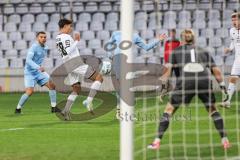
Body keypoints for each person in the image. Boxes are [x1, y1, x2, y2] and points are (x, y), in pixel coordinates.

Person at [147, 29, 231, 150]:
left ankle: (156, 142)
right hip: (203, 80)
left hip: (186, 81)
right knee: (213, 110)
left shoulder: (175, 51)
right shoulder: (203, 51)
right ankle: (225, 141)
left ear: (181, 40)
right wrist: (223, 87)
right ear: (194, 38)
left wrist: (163, 89)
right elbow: (215, 70)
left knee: (169, 110)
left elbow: (167, 73)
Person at [106, 31, 167, 119]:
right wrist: (110, 56)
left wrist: (158, 40)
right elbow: (108, 45)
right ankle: (123, 113)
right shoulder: (116, 33)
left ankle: (120, 112)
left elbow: (146, 47)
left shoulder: (134, 36)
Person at [56, 19, 103, 120]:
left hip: (67, 64)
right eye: (69, 26)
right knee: (99, 78)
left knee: (76, 89)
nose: (70, 28)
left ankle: (65, 111)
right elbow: (68, 51)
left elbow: (64, 52)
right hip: (75, 62)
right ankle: (88, 101)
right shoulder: (66, 37)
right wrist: (77, 40)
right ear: (64, 26)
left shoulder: (58, 38)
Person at [15, 32, 57, 114]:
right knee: (29, 92)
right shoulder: (33, 47)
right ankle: (18, 109)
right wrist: (38, 67)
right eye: (41, 37)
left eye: (45, 37)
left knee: (52, 85)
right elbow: (28, 60)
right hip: (30, 73)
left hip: (38, 72)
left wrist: (39, 68)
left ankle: (54, 108)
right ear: (37, 38)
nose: (43, 38)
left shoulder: (45, 48)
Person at [222, 12, 240, 108]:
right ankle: (227, 101)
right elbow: (233, 42)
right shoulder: (232, 30)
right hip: (238, 59)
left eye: (236, 19)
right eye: (232, 20)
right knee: (232, 78)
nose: (234, 22)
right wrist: (229, 49)